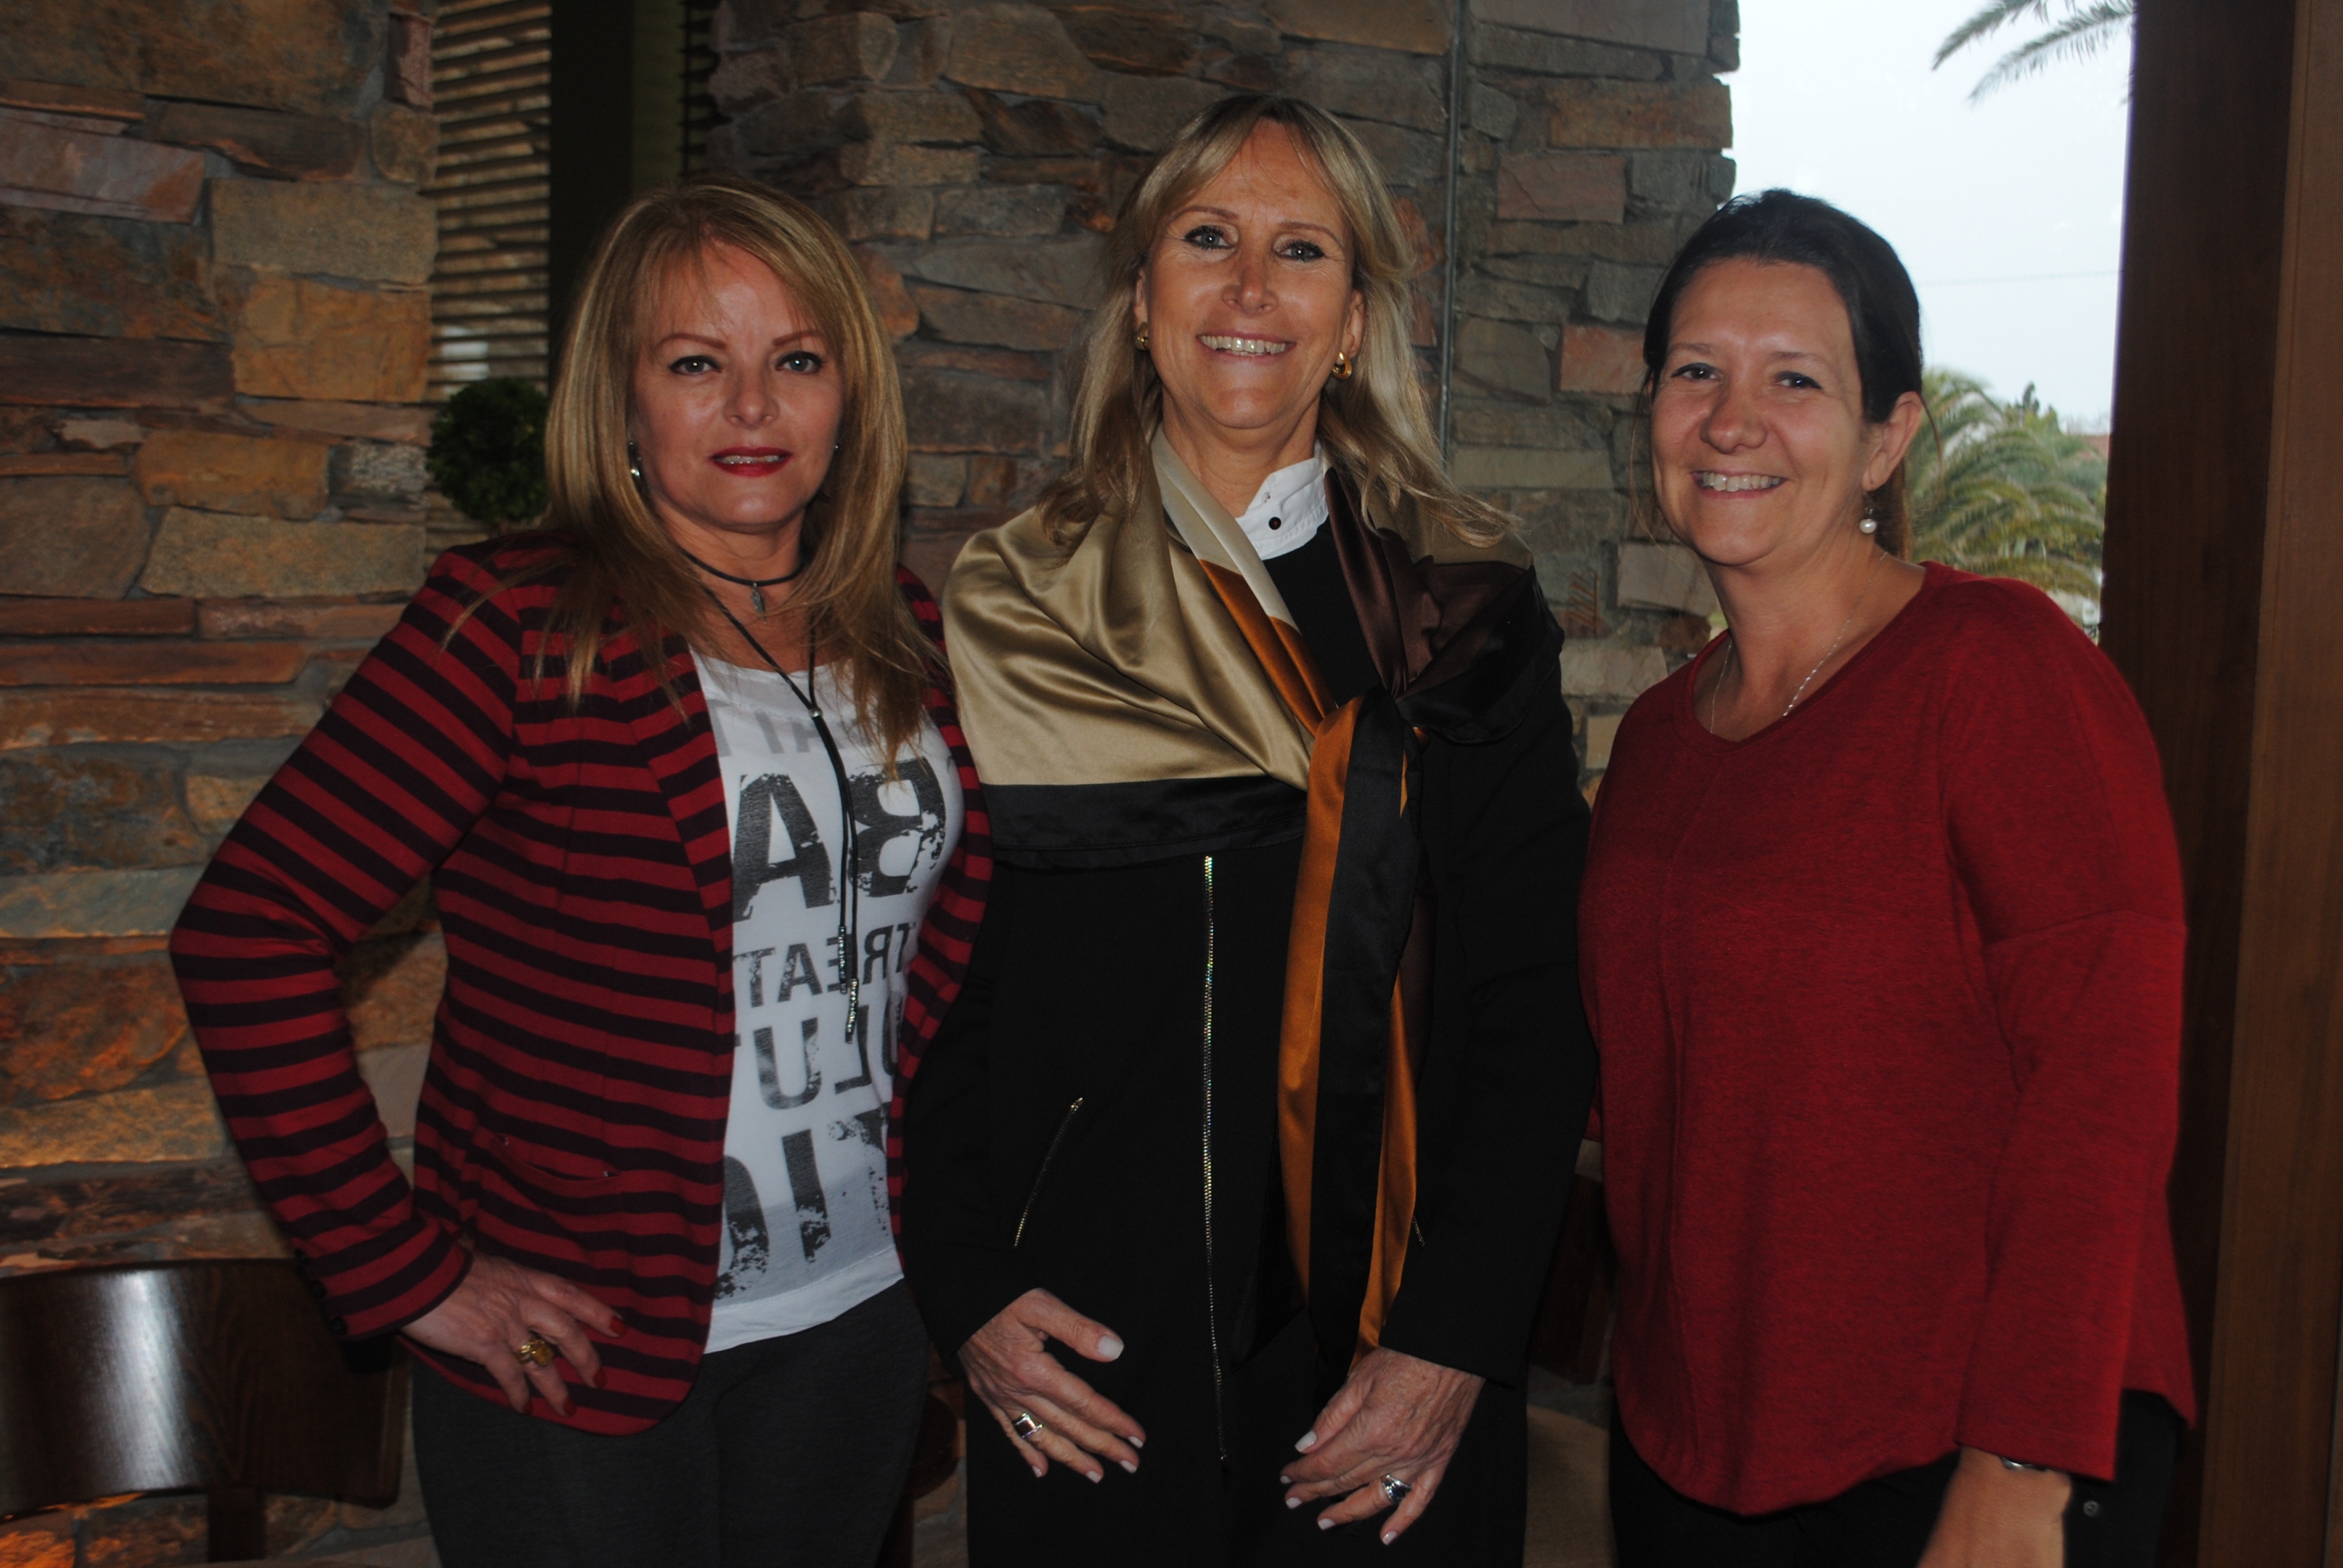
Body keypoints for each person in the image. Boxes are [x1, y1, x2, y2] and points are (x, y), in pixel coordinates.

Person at [168, 175, 986, 1568]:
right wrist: (404, 1272)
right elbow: (247, 931)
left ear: (849, 398)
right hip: (588, 1350)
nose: (750, 407)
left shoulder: (906, 628)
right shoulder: (515, 628)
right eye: (694, 364)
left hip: (859, 1309)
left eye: (795, 360)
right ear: (621, 403)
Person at [895, 94, 1597, 1566]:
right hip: (1091, 1353)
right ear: (1143, 296)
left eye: (1303, 250)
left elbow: (1538, 1003)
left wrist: (1455, 1338)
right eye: (1207, 239)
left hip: (1387, 1354)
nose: (1250, 289)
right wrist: (963, 1284)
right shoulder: (1014, 605)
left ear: (1352, 322)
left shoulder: (1466, 612)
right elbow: (944, 986)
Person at [1580, 188, 2193, 1568]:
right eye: (1697, 374)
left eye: (1794, 380)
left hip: (1965, 1452)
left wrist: (2022, 1463)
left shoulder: (1999, 671)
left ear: (1887, 437)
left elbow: (2106, 1083)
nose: (1733, 421)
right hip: (1695, 1448)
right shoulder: (1661, 745)